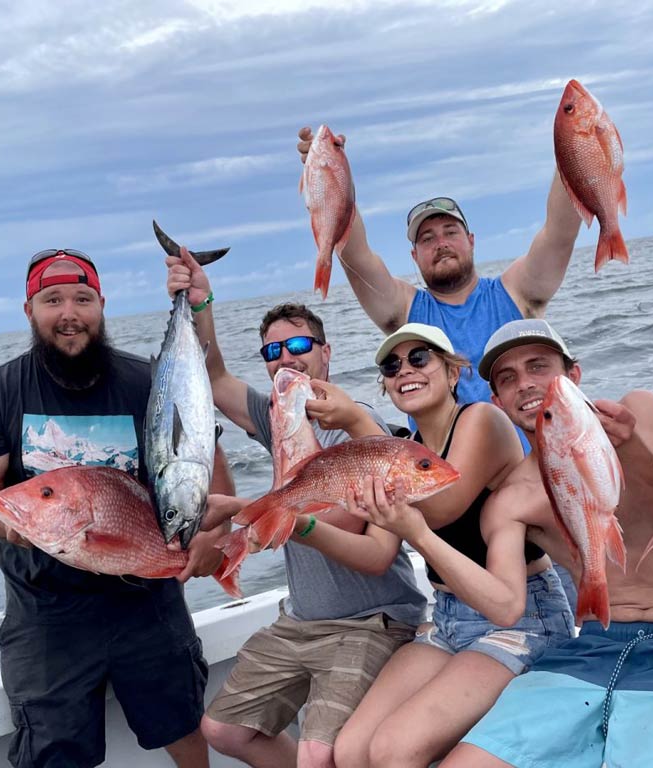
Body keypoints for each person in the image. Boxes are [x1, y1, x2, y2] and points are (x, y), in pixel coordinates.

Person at [353, 318, 653, 768]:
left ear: (573, 376)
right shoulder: (512, 500)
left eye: (539, 367)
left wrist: (635, 451)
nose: (525, 385)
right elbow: (504, 606)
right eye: (508, 378)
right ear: (496, 401)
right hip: (591, 648)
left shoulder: (642, 414)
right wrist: (417, 533)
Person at [0, 248, 234, 768]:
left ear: (101, 305)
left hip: (147, 600)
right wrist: (19, 529)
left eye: (82, 298)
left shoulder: (144, 381)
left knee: (183, 726)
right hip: (46, 613)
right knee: (52, 753)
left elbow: (202, 456)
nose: (69, 312)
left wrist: (216, 536)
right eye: (52, 299)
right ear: (29, 310)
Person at [296, 127, 587, 606]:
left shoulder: (515, 291)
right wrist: (326, 173)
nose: (440, 242)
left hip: (536, 501)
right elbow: (353, 251)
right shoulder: (404, 312)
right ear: (414, 256)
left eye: (450, 231)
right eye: (427, 238)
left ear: (471, 239)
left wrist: (575, 146)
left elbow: (560, 230)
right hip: (446, 510)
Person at [166, 248, 428, 768]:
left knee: (318, 752)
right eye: (272, 352)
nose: (286, 358)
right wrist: (200, 302)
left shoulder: (366, 428)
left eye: (299, 345)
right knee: (223, 729)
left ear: (325, 354)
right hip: (302, 620)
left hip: (374, 620)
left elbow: (347, 525)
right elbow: (215, 379)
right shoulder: (276, 417)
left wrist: (251, 512)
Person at [329, 322, 574, 768]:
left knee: (393, 749)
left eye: (420, 358)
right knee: (350, 751)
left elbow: (440, 506)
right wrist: (296, 524)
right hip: (445, 618)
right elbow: (377, 553)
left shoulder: (481, 420)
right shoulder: (406, 451)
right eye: (392, 364)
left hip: (521, 618)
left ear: (452, 373)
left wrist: (356, 423)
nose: (405, 369)